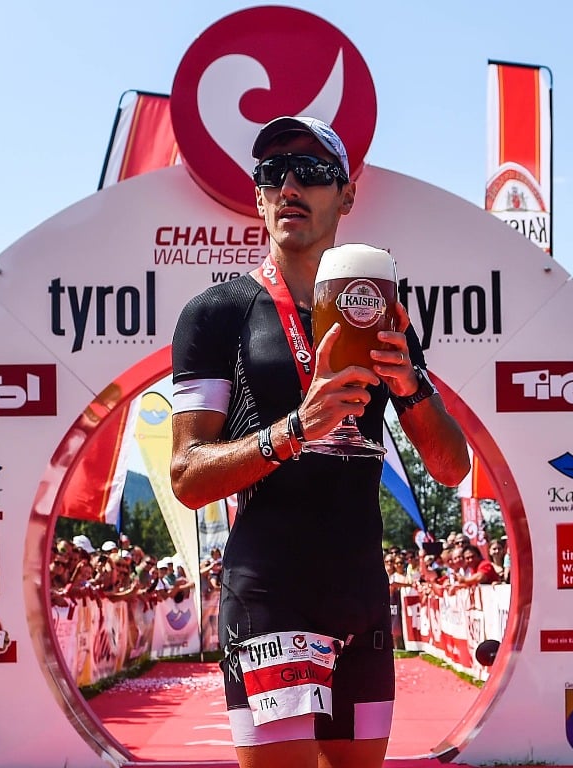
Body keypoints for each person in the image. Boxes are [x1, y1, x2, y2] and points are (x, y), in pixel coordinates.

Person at [170, 115, 470, 768]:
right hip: (269, 595)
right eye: (273, 174)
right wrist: (295, 430)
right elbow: (187, 477)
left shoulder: (381, 313)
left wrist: (411, 386)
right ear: (258, 197)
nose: (290, 187)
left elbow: (452, 467)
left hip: (361, 595)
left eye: (310, 172)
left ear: (347, 195)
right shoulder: (217, 314)